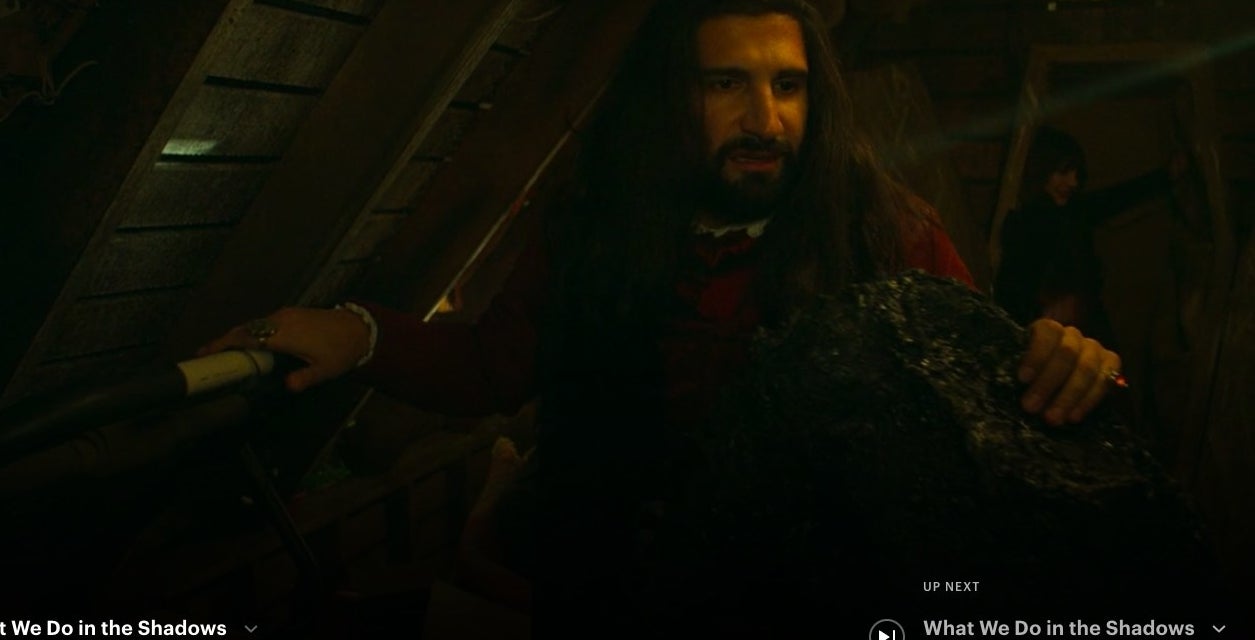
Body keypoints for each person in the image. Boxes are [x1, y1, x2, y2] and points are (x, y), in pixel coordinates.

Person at [201, 0, 1124, 631]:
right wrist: (358, 332)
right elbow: (491, 368)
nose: (763, 118)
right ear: (672, 96)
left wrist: (1069, 364)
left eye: (787, 86)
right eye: (726, 84)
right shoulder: (596, 225)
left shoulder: (884, 231)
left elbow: (988, 405)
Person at [994, 125, 1183, 348]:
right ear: (1041, 170)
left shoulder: (1073, 212)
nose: (1072, 182)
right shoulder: (1023, 224)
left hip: (1083, 331)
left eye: (1076, 173)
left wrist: (1166, 176)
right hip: (1047, 338)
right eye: (1063, 172)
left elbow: (1115, 198)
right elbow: (1012, 289)